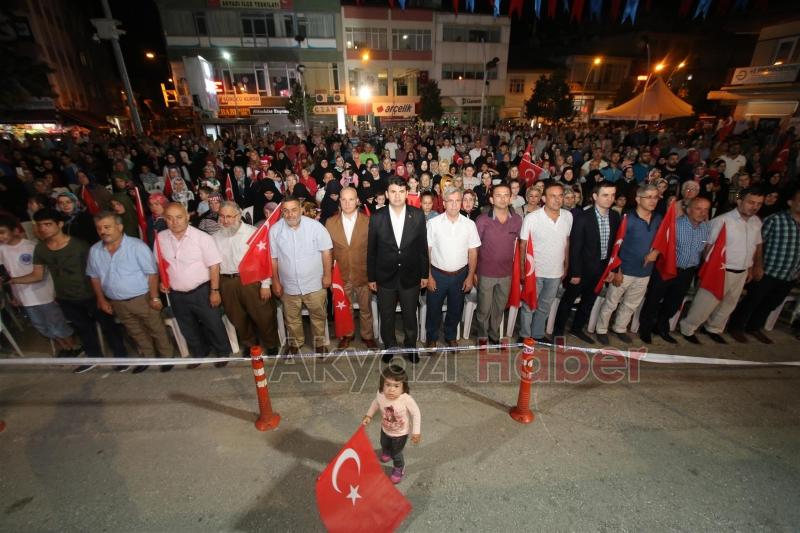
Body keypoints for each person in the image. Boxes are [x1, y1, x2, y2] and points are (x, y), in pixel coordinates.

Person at [10, 208, 127, 373]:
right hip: (66, 298)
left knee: (109, 327)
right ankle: (94, 358)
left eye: (47, 224)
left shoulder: (79, 246)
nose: (43, 229)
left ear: (59, 224)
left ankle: (122, 358)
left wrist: (102, 297)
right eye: (39, 225)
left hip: (91, 294)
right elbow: (37, 275)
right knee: (83, 330)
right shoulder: (41, 249)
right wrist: (11, 280)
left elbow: (97, 272)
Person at [86, 212, 174, 373]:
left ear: (119, 227)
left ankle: (167, 357)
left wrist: (154, 297)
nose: (103, 231)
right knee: (135, 332)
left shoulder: (136, 247)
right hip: (117, 302)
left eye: (107, 227)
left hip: (142, 298)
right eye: (99, 228)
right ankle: (148, 358)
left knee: (156, 329)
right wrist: (101, 300)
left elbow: (152, 273)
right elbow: (94, 277)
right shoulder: (95, 251)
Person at [680, 187, 765, 344]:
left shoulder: (756, 222)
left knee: (728, 304)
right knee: (705, 303)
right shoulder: (722, 221)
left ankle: (713, 328)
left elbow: (756, 245)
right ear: (740, 201)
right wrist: (708, 270)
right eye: (751, 202)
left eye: (759, 204)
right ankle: (688, 328)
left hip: (741, 270)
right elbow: (708, 246)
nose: (754, 206)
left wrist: (751, 267)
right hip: (720, 269)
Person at [158, 203, 232, 365]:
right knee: (187, 326)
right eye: (169, 218)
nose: (174, 222)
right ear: (165, 219)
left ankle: (222, 352)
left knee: (212, 323)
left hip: (202, 290)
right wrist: (162, 282)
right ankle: (199, 351)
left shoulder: (202, 238)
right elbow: (161, 264)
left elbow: (214, 266)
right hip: (176, 293)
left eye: (179, 217)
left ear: (187, 217)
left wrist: (214, 290)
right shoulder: (160, 239)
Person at [367, 177, 429, 363]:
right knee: (387, 316)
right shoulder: (377, 217)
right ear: (387, 194)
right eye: (393, 191)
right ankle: (390, 346)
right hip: (384, 276)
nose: (397, 196)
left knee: (410, 316)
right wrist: (371, 277)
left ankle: (411, 347)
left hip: (411, 275)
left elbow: (422, 247)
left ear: (407, 193)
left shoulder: (417, 215)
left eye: (401, 191)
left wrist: (424, 274)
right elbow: (372, 250)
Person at [727, 188, 800, 344]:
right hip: (768, 270)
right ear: (790, 202)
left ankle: (754, 327)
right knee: (752, 301)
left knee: (771, 303)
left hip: (790, 274)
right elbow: (758, 244)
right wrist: (756, 266)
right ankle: (736, 327)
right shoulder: (775, 219)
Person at [0, 215, 80, 356]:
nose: (0, 237)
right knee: (42, 326)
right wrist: (13, 294)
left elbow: (40, 275)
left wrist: (12, 281)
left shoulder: (31, 247)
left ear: (15, 230)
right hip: (25, 297)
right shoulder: (2, 250)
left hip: (44, 295)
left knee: (57, 324)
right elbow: (7, 272)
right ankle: (65, 348)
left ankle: (74, 347)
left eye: (2, 232)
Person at [552, 182, 621, 344]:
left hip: (602, 269)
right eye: (605, 195)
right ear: (595, 196)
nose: (610, 198)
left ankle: (577, 329)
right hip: (581, 270)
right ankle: (558, 331)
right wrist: (575, 272)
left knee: (589, 302)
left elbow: (616, 245)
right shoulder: (582, 217)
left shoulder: (615, 216)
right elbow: (575, 248)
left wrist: (613, 269)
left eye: (612, 195)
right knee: (568, 301)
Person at [637, 197, 711, 344]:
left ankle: (661, 327)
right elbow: (660, 244)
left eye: (706, 210)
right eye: (698, 208)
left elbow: (703, 251)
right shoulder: (675, 225)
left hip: (687, 272)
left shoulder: (706, 228)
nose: (702, 213)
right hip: (666, 269)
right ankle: (645, 329)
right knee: (653, 299)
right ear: (688, 210)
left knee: (673, 303)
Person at [595, 184, 662, 344]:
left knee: (631, 304)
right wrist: (617, 269)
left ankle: (620, 328)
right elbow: (616, 245)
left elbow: (664, 240)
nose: (653, 201)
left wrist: (656, 251)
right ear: (638, 199)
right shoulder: (627, 219)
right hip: (624, 270)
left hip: (645, 271)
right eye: (649, 197)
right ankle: (601, 329)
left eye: (656, 197)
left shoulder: (658, 219)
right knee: (611, 303)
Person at [213, 201, 281, 356]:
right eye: (222, 216)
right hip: (227, 282)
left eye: (229, 216)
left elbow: (264, 259)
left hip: (252, 280)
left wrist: (265, 284)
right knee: (238, 317)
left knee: (263, 315)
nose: (225, 220)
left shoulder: (253, 232)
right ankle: (250, 345)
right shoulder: (215, 237)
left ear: (238, 216)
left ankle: (270, 343)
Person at [270, 196, 333, 355]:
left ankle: (319, 343)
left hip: (314, 283)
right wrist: (275, 282)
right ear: (282, 212)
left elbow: (326, 252)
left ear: (301, 209)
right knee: (291, 318)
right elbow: (273, 258)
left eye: (294, 210)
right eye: (286, 211)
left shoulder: (315, 227)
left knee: (318, 316)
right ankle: (296, 343)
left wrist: (327, 276)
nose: (290, 214)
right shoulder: (275, 230)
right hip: (288, 285)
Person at [425, 187, 481, 349]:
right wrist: (429, 276)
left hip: (460, 275)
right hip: (437, 274)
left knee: (456, 309)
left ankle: (450, 336)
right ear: (444, 203)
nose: (454, 204)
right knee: (433, 309)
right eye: (451, 201)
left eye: (458, 201)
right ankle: (431, 337)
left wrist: (470, 276)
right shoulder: (433, 223)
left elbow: (473, 252)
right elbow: (427, 251)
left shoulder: (469, 225)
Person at [519, 181, 572, 343]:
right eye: (552, 196)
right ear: (544, 198)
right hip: (534, 271)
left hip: (555, 272)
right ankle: (524, 335)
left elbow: (566, 242)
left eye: (560, 196)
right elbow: (523, 245)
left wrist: (566, 265)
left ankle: (537, 334)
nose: (557, 199)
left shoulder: (568, 216)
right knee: (528, 305)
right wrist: (522, 270)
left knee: (544, 306)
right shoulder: (532, 218)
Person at [325, 187, 377, 349]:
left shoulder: (368, 221)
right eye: (344, 200)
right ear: (339, 201)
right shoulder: (330, 223)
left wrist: (374, 275)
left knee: (366, 308)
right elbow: (328, 251)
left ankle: (368, 336)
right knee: (344, 309)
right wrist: (329, 275)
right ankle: (347, 335)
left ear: (357, 201)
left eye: (351, 199)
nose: (347, 203)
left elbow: (374, 250)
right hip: (341, 275)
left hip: (364, 274)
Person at [474, 183, 522, 343]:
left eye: (506, 195)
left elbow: (520, 245)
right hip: (485, 273)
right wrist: (473, 272)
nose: (502, 199)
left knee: (499, 308)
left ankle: (494, 334)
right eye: (498, 195)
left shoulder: (517, 220)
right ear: (491, 199)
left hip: (506, 273)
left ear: (511, 198)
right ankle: (482, 335)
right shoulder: (482, 220)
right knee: (484, 308)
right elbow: (474, 248)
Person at [362, 365, 421, 485]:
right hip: (385, 429)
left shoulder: (406, 399)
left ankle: (399, 468)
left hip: (400, 434)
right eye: (387, 385)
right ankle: (386, 451)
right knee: (384, 443)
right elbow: (376, 403)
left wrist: (416, 432)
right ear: (382, 385)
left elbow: (416, 414)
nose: (391, 390)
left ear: (403, 387)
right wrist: (369, 415)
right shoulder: (380, 394)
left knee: (396, 454)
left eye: (396, 386)